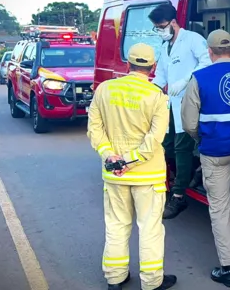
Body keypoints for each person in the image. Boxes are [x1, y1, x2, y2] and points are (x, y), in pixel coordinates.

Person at [87, 43, 177, 290]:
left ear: (128, 65)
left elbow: (95, 129)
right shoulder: (157, 96)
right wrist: (130, 160)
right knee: (150, 228)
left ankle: (115, 278)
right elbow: (154, 140)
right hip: (148, 176)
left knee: (116, 225)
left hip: (114, 174)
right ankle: (151, 282)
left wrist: (110, 156)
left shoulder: (104, 90)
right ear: (152, 67)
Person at [181, 29, 230, 288]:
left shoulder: (200, 78)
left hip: (215, 152)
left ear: (210, 52)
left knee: (220, 208)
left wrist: (200, 139)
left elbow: (190, 123)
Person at [148, 3, 211, 219]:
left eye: (162, 26)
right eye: (157, 28)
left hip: (190, 103)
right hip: (171, 104)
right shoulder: (164, 46)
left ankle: (178, 196)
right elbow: (162, 75)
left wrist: (186, 80)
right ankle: (181, 178)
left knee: (182, 148)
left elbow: (207, 62)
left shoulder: (193, 39)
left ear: (174, 22)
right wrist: (149, 91)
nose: (160, 31)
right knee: (166, 145)